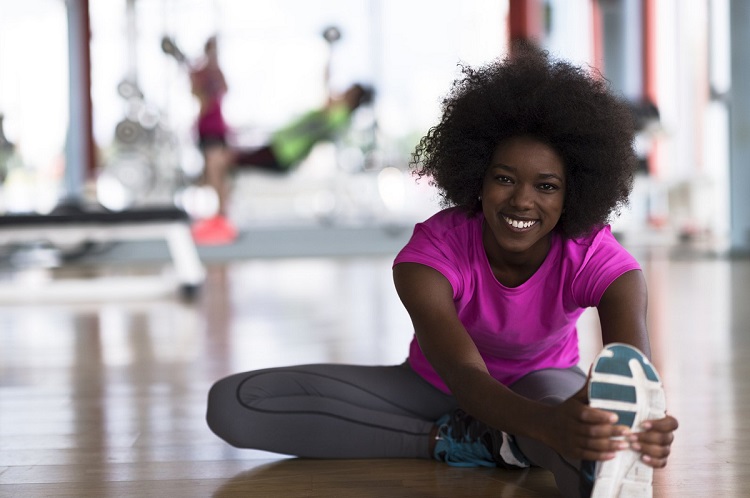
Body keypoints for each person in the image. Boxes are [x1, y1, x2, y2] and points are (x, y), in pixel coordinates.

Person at [205, 44, 678, 497]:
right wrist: (545, 429)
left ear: (573, 192)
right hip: (437, 387)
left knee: (592, 452)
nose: (522, 201)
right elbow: (466, 378)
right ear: (477, 176)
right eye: (505, 178)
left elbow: (635, 377)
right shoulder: (432, 252)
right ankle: (482, 442)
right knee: (237, 405)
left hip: (545, 385)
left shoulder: (596, 256)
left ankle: (508, 441)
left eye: (547, 186)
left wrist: (634, 426)